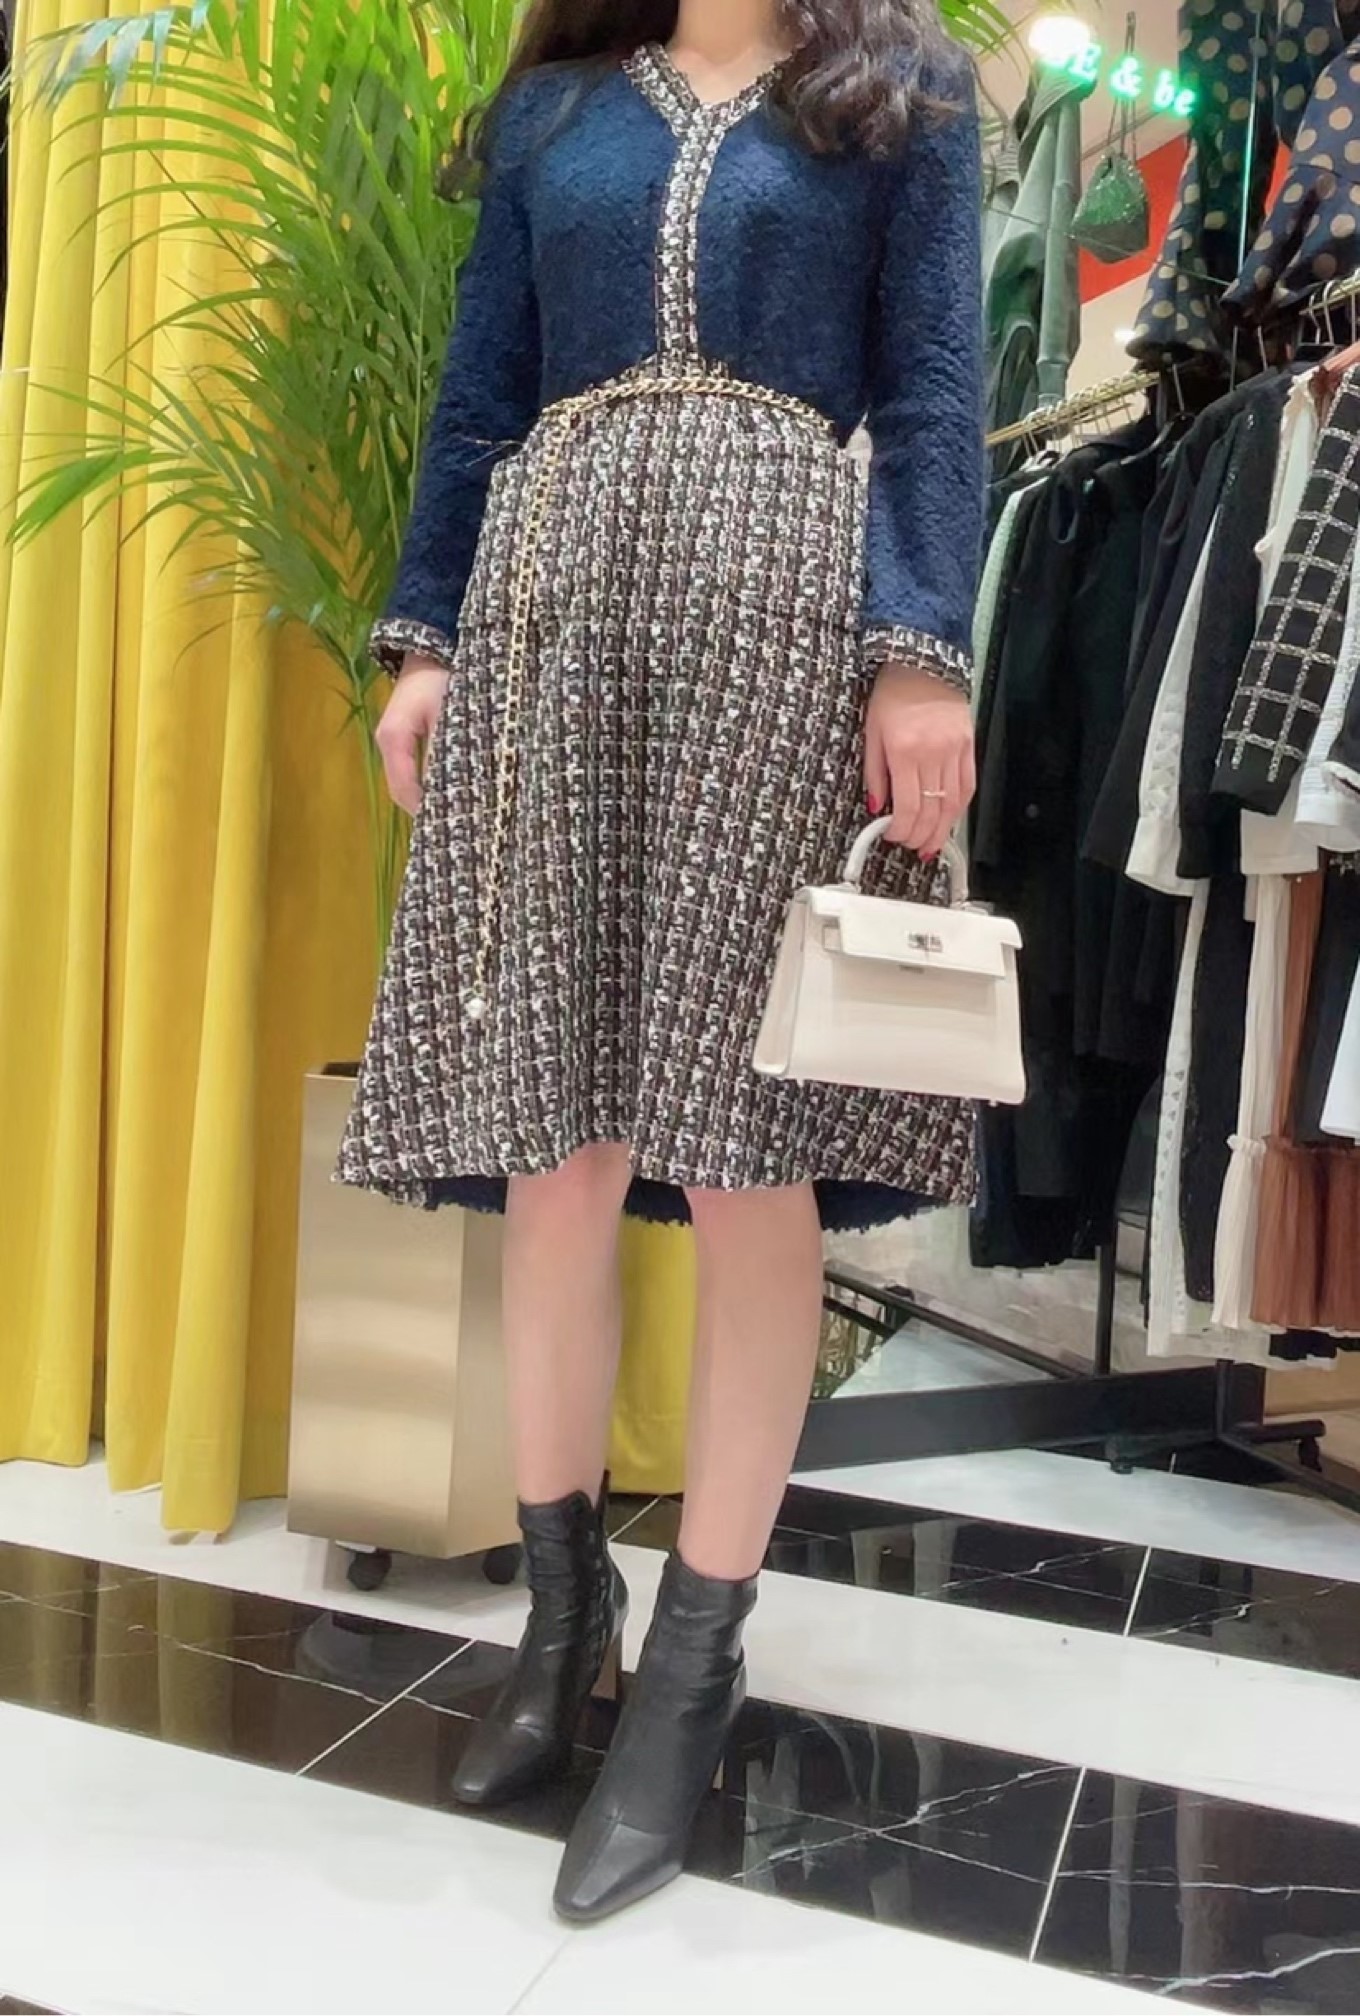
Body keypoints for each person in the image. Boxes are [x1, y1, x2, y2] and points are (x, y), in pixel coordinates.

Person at [339, 0, 983, 1923]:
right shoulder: (554, 113)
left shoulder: (903, 94)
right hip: (552, 606)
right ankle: (563, 1623)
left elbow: (933, 393)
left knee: (743, 1148)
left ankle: (696, 1661)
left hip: (779, 615)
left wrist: (919, 655)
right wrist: (426, 639)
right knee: (553, 1142)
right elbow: (484, 388)